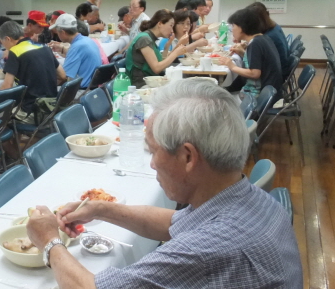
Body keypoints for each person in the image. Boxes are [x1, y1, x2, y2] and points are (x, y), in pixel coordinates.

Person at [25, 79, 302, 289]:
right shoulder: (245, 198)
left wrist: (50, 243)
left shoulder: (205, 250)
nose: (152, 164)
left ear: (188, 157)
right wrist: (99, 209)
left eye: (154, 151)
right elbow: (174, 222)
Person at [0, 21, 65, 123]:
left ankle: (19, 137)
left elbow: (7, 86)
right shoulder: (44, 47)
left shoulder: (15, 51)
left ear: (7, 39)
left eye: (2, 42)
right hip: (52, 106)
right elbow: (63, 76)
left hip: (33, 111)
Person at [219, 8, 283, 98]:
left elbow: (254, 74)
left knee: (221, 95)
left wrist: (231, 66)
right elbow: (259, 61)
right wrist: (242, 53)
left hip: (259, 96)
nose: (231, 29)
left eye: (233, 26)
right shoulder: (262, 38)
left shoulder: (255, 44)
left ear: (242, 27)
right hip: (270, 91)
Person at [126, 9, 186, 88]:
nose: (172, 30)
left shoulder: (150, 37)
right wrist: (175, 53)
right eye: (171, 25)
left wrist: (167, 46)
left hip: (151, 80)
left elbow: (162, 63)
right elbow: (157, 68)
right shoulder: (144, 39)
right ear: (160, 24)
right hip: (141, 84)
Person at [49, 14, 102, 89]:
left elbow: (63, 76)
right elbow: (80, 56)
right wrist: (62, 49)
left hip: (82, 91)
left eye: (58, 32)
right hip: (92, 88)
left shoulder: (76, 47)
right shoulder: (87, 40)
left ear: (63, 32)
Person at [248, 2, 291, 80]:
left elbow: (256, 69)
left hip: (275, 76)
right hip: (280, 70)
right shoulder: (274, 28)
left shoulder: (268, 37)